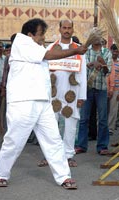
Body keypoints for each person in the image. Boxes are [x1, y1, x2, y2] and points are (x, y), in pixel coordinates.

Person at [0, 18, 87, 189]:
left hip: (43, 102)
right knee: (14, 140)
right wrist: (77, 50)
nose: (43, 37)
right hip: (23, 102)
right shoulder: (21, 43)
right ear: (30, 35)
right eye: (40, 34)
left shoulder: (37, 47)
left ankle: (64, 177)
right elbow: (50, 56)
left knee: (54, 140)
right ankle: (1, 174)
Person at [37, 19, 87, 168]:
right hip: (53, 94)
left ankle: (69, 155)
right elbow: (44, 72)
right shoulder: (51, 48)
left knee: (71, 125)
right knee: (51, 126)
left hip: (73, 93)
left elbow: (83, 73)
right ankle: (49, 155)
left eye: (69, 28)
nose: (66, 30)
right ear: (59, 29)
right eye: (64, 27)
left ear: (73, 30)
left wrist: (82, 96)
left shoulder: (79, 49)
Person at [75, 37, 112, 155]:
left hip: (101, 89)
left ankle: (102, 146)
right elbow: (80, 68)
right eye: (95, 36)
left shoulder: (106, 52)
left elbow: (108, 72)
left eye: (99, 36)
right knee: (84, 118)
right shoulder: (85, 51)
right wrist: (91, 64)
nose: (97, 39)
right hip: (87, 89)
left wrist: (104, 64)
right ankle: (81, 145)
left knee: (102, 119)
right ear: (91, 37)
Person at [107, 44, 119, 135]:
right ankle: (102, 128)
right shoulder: (108, 61)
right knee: (104, 109)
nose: (115, 53)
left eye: (116, 51)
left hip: (116, 89)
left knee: (113, 109)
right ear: (110, 50)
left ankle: (110, 128)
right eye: (113, 51)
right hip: (106, 88)